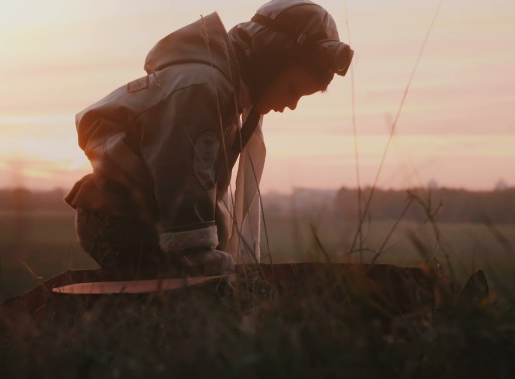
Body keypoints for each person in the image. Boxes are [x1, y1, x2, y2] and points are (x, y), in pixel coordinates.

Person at [65, 0, 353, 276]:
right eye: (293, 89)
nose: (291, 105)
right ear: (271, 61)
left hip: (138, 213)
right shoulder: (204, 88)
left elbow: (204, 187)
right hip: (118, 216)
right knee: (186, 292)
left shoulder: (225, 92)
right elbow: (182, 174)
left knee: (214, 249)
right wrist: (198, 253)